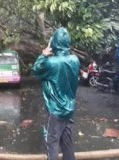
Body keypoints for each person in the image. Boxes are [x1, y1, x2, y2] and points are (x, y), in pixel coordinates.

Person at [32, 27, 80, 160]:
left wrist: (43, 54)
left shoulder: (50, 63)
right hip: (69, 108)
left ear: (54, 44)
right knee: (67, 143)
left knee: (51, 143)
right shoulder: (75, 60)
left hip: (55, 110)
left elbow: (36, 70)